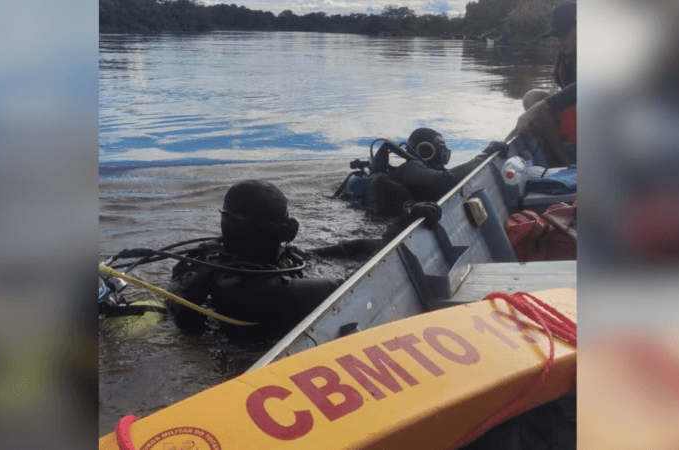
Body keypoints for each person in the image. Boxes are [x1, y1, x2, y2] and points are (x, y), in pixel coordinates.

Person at [166, 180, 345, 339]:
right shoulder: (270, 291)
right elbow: (350, 287)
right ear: (283, 231)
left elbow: (312, 255)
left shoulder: (207, 266)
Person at [340, 128, 508, 217]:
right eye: (442, 152)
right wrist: (484, 155)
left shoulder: (413, 171)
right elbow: (447, 182)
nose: (444, 159)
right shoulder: (411, 169)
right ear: (426, 150)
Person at [508, 2, 577, 167]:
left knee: (539, 106)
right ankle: (564, 162)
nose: (560, 40)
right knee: (532, 98)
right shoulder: (565, 58)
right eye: (557, 35)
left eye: (564, 33)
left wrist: (543, 106)